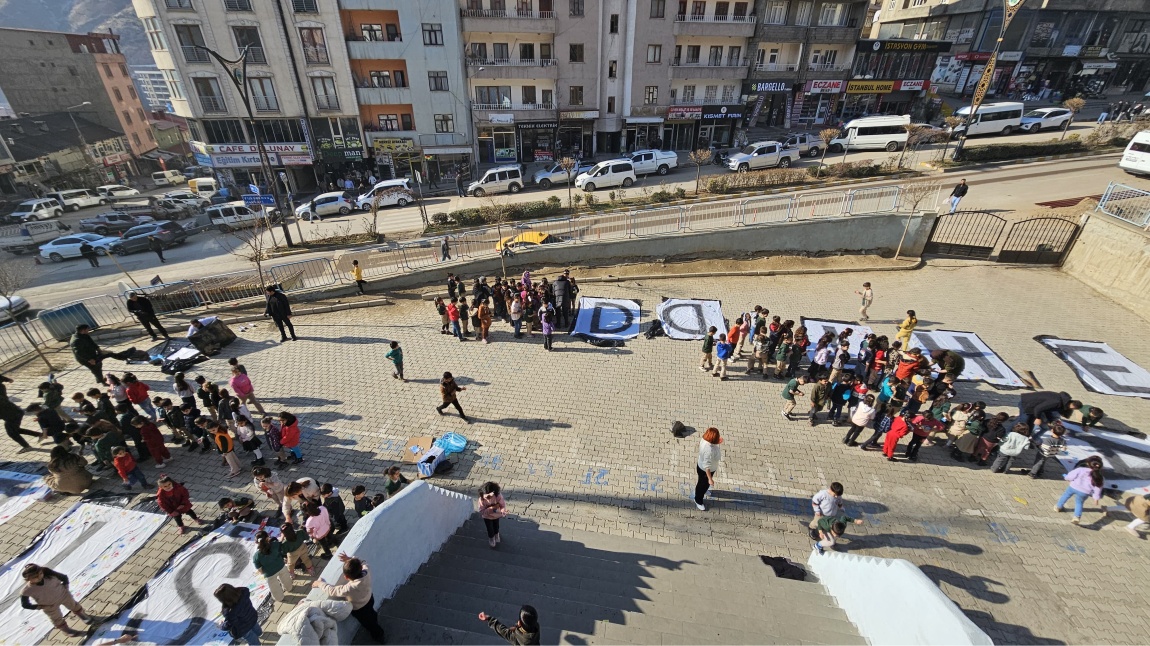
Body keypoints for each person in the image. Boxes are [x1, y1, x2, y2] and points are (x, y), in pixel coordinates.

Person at [312, 553, 386, 643]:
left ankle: (379, 636)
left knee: (369, 623)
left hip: (360, 609)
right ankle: (374, 620)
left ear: (346, 577)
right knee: (371, 614)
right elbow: (363, 562)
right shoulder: (366, 570)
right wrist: (350, 559)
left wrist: (320, 584)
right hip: (369, 599)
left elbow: (332, 591)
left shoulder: (350, 588)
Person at [20, 564, 96, 637]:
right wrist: (39, 606)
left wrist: (66, 587)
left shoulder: (49, 575)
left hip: (63, 595)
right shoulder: (26, 590)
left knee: (73, 605)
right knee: (56, 618)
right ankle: (66, 630)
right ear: (28, 579)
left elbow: (64, 577)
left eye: (40, 574)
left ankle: (82, 615)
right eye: (35, 577)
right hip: (49, 605)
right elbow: (25, 604)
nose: (39, 577)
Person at [1055, 455, 1107, 525]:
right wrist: (1096, 498)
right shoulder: (1100, 477)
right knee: (1079, 503)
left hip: (1073, 487)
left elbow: (1070, 476)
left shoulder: (1081, 469)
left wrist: (1066, 478)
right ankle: (1076, 517)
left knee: (1065, 495)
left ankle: (1058, 507)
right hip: (1085, 492)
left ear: (1088, 463)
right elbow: (1098, 488)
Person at [252, 530, 292, 602]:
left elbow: (260, 570)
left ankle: (280, 598)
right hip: (281, 566)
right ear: (268, 538)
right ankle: (289, 588)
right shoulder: (275, 544)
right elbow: (280, 546)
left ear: (256, 542)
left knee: (274, 587)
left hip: (269, 574)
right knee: (286, 579)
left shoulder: (256, 556)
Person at [694, 427, 722, 511]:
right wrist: (710, 479)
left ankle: (705, 489)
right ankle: (698, 500)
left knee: (704, 484)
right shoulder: (709, 450)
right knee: (701, 485)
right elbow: (707, 467)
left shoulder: (704, 439)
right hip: (704, 471)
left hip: (701, 466)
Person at [479, 481, 508, 548]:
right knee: (489, 528)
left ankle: (496, 534)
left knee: (496, 526)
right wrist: (491, 509)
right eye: (486, 496)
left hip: (496, 515)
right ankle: (491, 538)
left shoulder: (498, 496)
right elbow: (482, 511)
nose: (488, 498)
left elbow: (502, 505)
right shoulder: (482, 499)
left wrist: (503, 511)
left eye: (490, 496)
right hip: (487, 517)